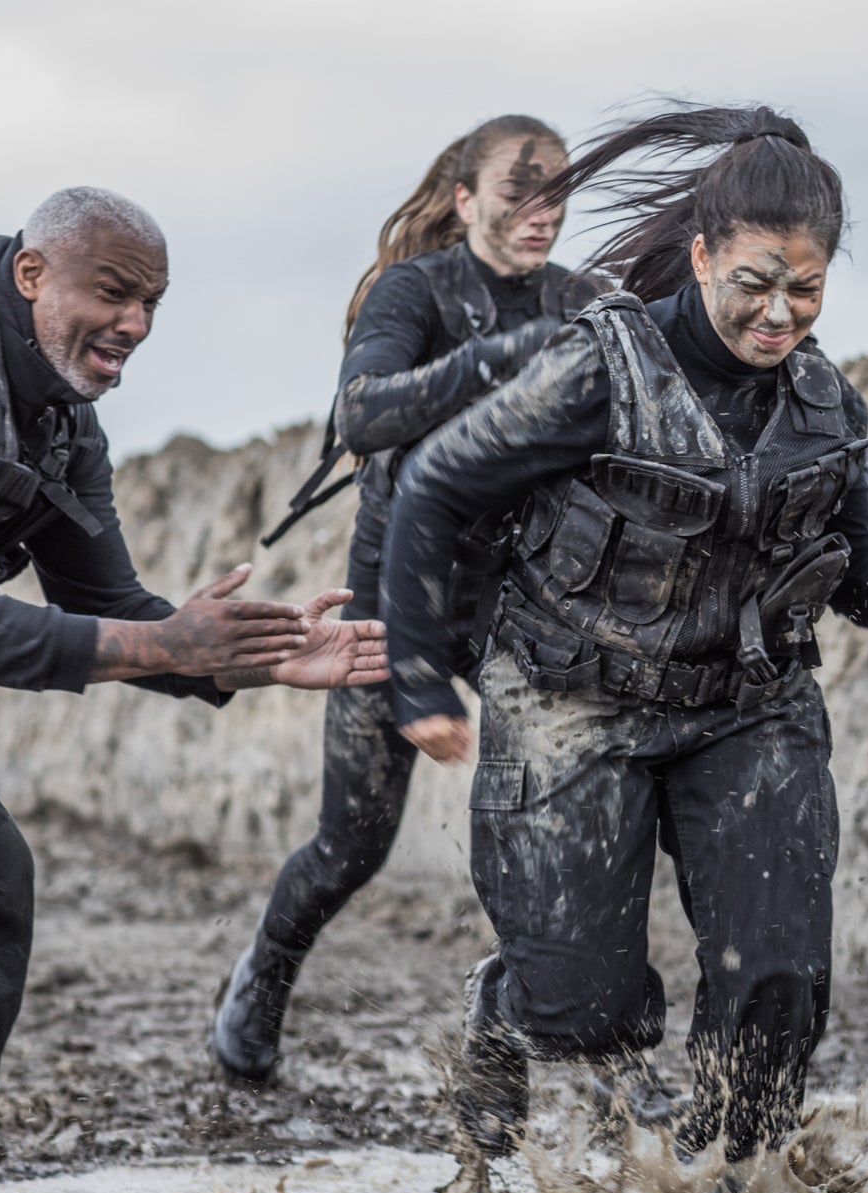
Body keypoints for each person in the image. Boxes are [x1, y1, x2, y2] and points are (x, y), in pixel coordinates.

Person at [381, 104, 868, 1164]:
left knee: (777, 980)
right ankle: (508, 1002)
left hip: (748, 709)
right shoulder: (597, 370)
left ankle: (725, 1190)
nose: (779, 313)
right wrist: (420, 677)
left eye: (807, 288)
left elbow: (857, 569)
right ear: (700, 256)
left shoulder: (827, 406)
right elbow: (433, 485)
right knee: (585, 1010)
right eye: (753, 282)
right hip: (572, 694)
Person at [0, 188, 388, 1193]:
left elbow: (109, 608)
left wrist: (256, 656)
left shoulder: (63, 423)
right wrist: (164, 645)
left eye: (152, 302)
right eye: (112, 293)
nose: (135, 325)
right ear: (31, 277)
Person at [210, 115, 604, 1087]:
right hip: (400, 594)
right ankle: (262, 979)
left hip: (529, 603)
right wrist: (497, 362)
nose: (541, 212)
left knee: (543, 838)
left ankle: (537, 1039)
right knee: (351, 844)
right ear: (465, 199)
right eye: (519, 191)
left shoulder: (583, 298)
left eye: (558, 193)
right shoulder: (414, 290)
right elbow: (363, 411)